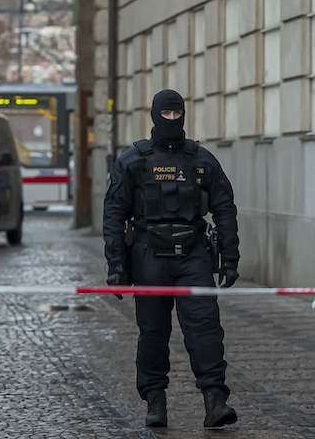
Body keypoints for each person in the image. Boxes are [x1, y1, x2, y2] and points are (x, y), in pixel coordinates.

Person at [103, 89, 241, 429]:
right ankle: (155, 400)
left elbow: (224, 207)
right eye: (166, 115)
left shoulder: (201, 160)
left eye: (176, 114)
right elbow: (114, 214)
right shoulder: (132, 161)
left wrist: (231, 256)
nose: (172, 120)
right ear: (154, 115)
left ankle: (215, 400)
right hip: (149, 254)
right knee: (153, 332)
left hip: (192, 254)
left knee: (205, 327)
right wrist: (116, 266)